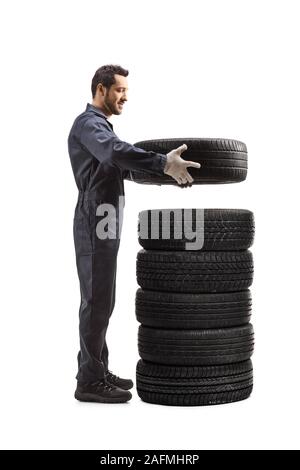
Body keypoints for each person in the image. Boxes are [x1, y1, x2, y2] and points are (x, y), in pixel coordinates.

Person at [67, 64, 201, 404]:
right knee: (96, 302)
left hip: (106, 216)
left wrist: (166, 172)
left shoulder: (102, 128)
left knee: (103, 301)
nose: (125, 96)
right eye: (119, 90)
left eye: (126, 90)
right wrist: (161, 163)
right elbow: (115, 153)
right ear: (101, 89)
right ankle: (89, 382)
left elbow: (122, 166)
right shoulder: (89, 125)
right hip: (95, 217)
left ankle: (97, 369)